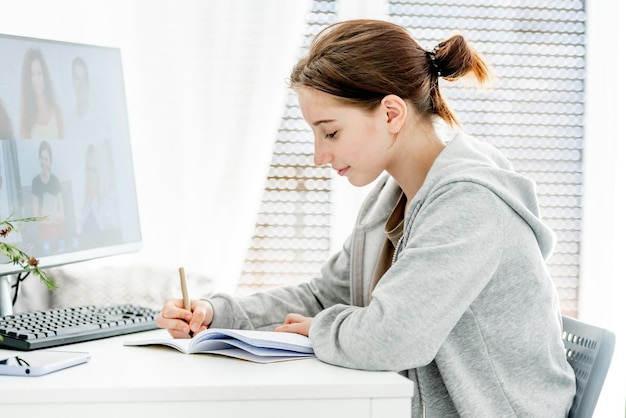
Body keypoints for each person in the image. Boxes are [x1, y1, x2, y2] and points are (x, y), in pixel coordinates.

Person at [157, 19, 576, 417]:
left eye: (331, 132)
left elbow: (393, 338)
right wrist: (217, 314)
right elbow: (327, 296)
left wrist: (318, 330)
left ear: (392, 114)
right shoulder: (392, 193)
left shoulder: (470, 203)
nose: (319, 156)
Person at [20, 47, 64, 139]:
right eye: (32, 74)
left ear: (44, 74)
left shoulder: (56, 111)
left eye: (39, 73)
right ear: (28, 79)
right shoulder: (26, 119)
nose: (37, 80)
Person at [31, 140, 64, 241]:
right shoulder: (35, 182)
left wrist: (47, 217)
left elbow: (62, 215)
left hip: (57, 227)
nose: (44, 162)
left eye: (47, 159)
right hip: (43, 230)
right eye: (41, 158)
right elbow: (35, 218)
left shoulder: (55, 180)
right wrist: (50, 220)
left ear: (51, 161)